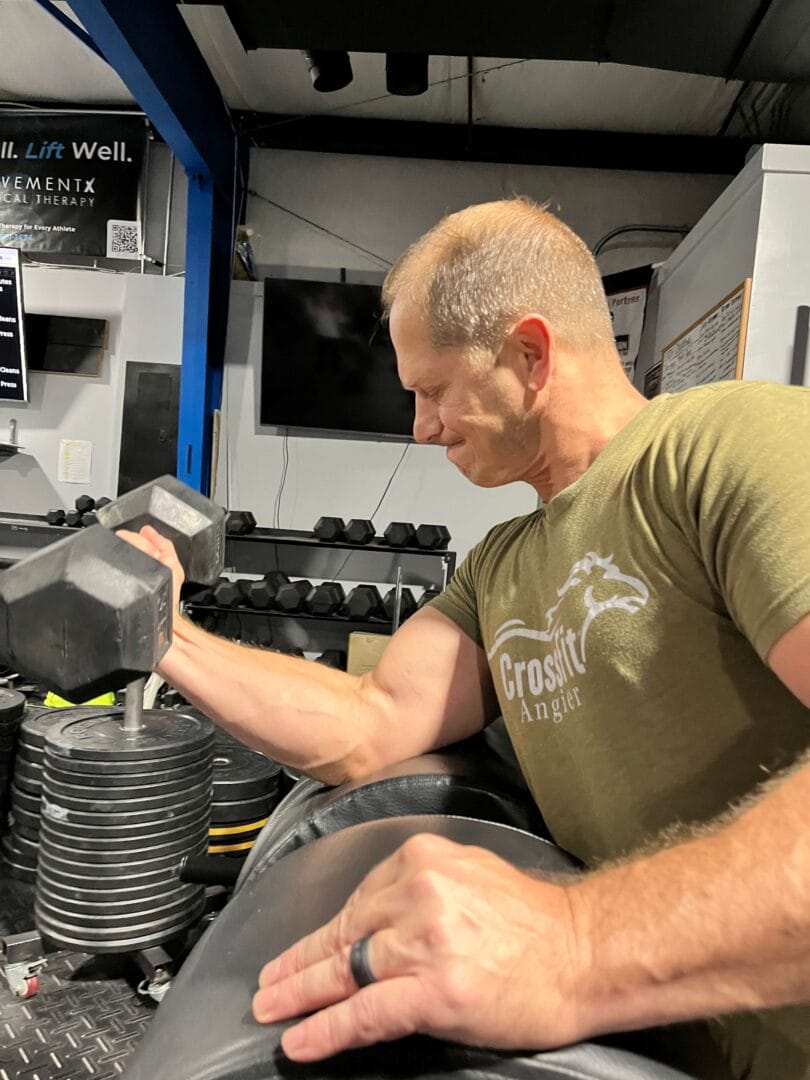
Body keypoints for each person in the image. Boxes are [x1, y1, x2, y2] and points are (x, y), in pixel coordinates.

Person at [122, 198, 809, 1080]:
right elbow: (370, 723)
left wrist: (574, 939)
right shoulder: (501, 565)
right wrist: (166, 632)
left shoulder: (723, 450)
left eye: (434, 390)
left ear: (530, 354)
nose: (422, 426)